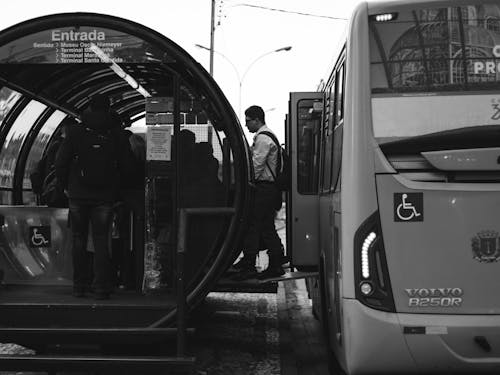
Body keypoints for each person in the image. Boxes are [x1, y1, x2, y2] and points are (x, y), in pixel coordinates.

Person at [55, 94, 129, 299]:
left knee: (78, 239)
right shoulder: (116, 133)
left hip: (77, 195)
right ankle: (101, 286)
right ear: (109, 108)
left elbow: (60, 163)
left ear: (89, 107)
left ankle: (80, 285)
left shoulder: (74, 132)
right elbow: (127, 165)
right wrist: (117, 189)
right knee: (101, 240)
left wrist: (65, 186)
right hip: (104, 196)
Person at [233, 105, 285, 280]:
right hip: (268, 189)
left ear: (257, 119)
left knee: (254, 225)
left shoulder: (263, 139)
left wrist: (243, 182)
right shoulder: (268, 136)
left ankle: (250, 264)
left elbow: (256, 166)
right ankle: (275, 261)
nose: (246, 125)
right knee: (265, 226)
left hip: (263, 188)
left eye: (248, 121)